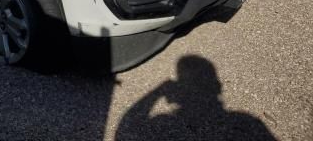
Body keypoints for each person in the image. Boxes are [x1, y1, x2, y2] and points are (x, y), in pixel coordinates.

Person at [115, 55, 275, 140]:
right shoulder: (246, 120)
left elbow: (125, 130)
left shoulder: (162, 120)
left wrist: (159, 90)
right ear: (218, 86)